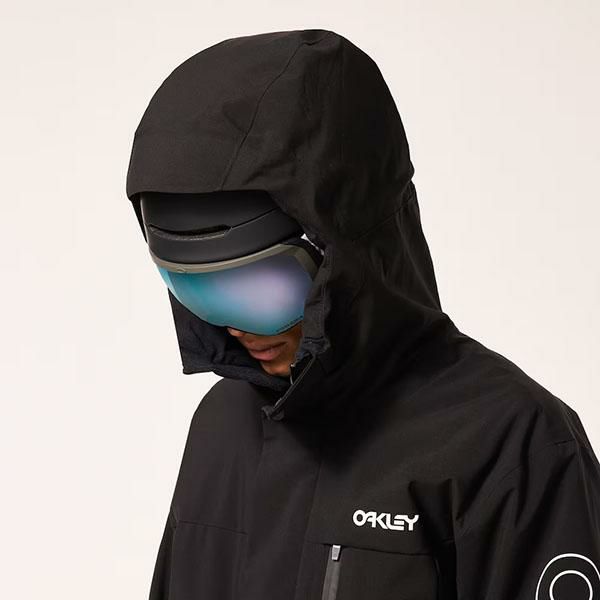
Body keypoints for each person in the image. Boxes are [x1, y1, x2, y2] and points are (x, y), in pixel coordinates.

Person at [125, 29, 600, 600]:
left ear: (345, 253)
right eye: (195, 288)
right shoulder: (222, 424)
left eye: (260, 288)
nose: (234, 324)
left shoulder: (512, 443)